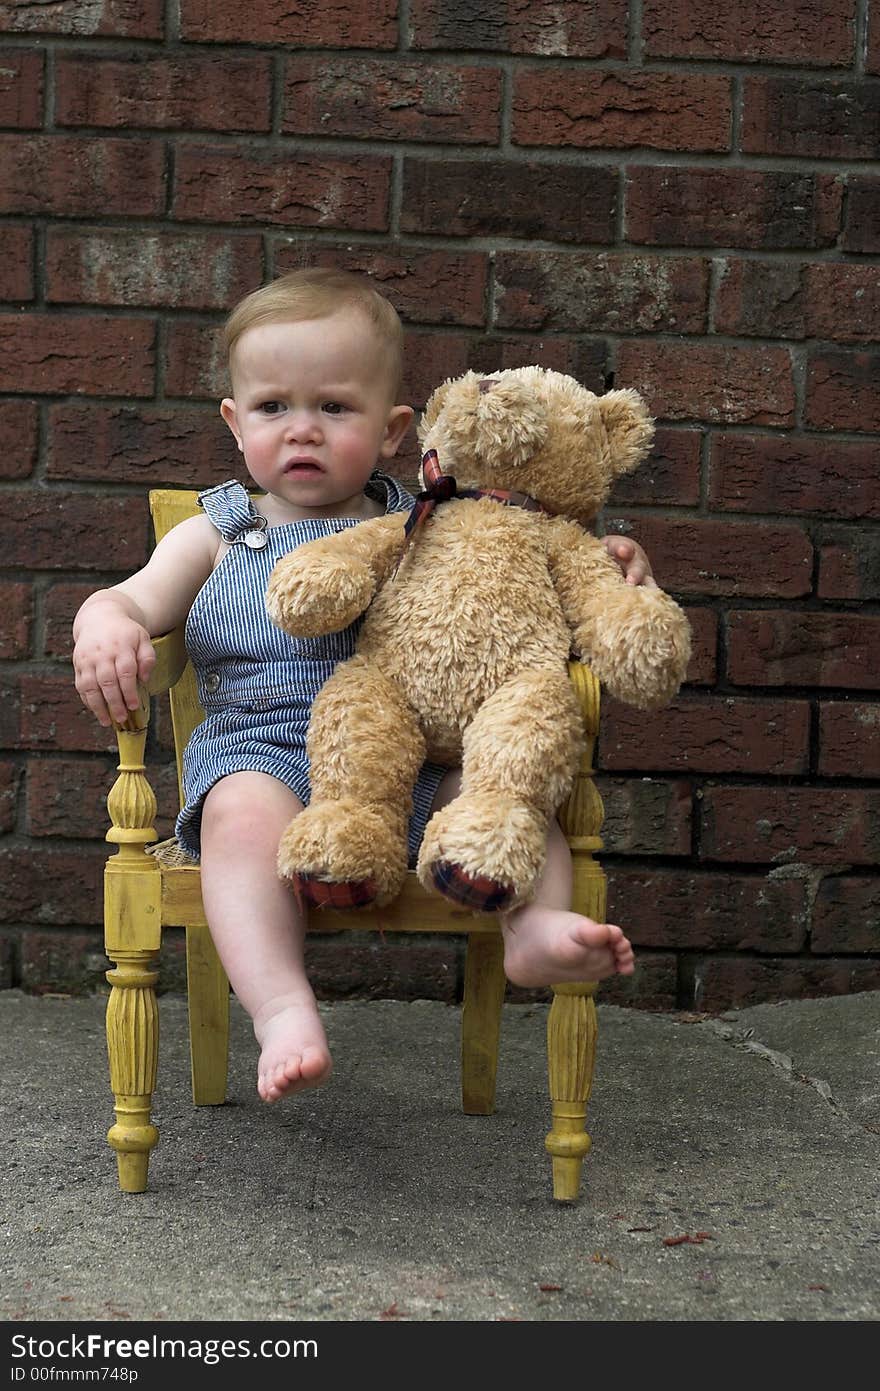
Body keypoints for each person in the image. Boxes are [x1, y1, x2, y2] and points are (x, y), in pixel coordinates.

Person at [72, 268, 652, 1105]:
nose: (301, 428)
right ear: (236, 424)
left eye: (334, 408)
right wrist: (107, 619)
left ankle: (535, 927)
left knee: (503, 799)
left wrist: (615, 566)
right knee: (238, 822)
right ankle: (281, 1007)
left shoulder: (430, 522)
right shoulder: (215, 534)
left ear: (393, 428)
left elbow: (524, 569)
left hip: (408, 758)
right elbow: (134, 596)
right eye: (274, 407)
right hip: (260, 753)